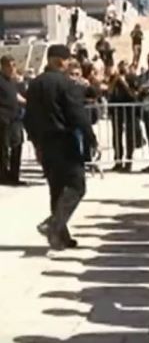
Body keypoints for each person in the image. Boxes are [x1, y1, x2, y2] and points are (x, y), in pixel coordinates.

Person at [24, 45, 97, 250]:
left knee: (56, 190)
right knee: (76, 186)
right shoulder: (65, 83)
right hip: (65, 141)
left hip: (45, 143)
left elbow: (29, 118)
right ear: (59, 61)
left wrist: (36, 143)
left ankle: (60, 237)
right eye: (66, 61)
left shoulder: (35, 84)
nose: (68, 64)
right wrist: (91, 138)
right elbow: (77, 115)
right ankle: (53, 224)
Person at [108, 60, 141, 172]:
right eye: (121, 67)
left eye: (125, 66)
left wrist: (123, 82)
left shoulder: (132, 78)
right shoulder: (114, 78)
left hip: (129, 110)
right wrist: (116, 80)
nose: (123, 69)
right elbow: (109, 91)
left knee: (129, 137)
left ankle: (128, 161)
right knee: (116, 136)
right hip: (116, 110)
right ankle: (118, 160)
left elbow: (133, 94)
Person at [0, 55, 26, 186]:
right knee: (3, 150)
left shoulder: (12, 82)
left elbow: (17, 97)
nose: (12, 68)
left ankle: (14, 176)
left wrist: (30, 103)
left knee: (17, 146)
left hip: (15, 119)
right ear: (3, 66)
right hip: (3, 119)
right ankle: (3, 175)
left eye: (14, 65)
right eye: (9, 66)